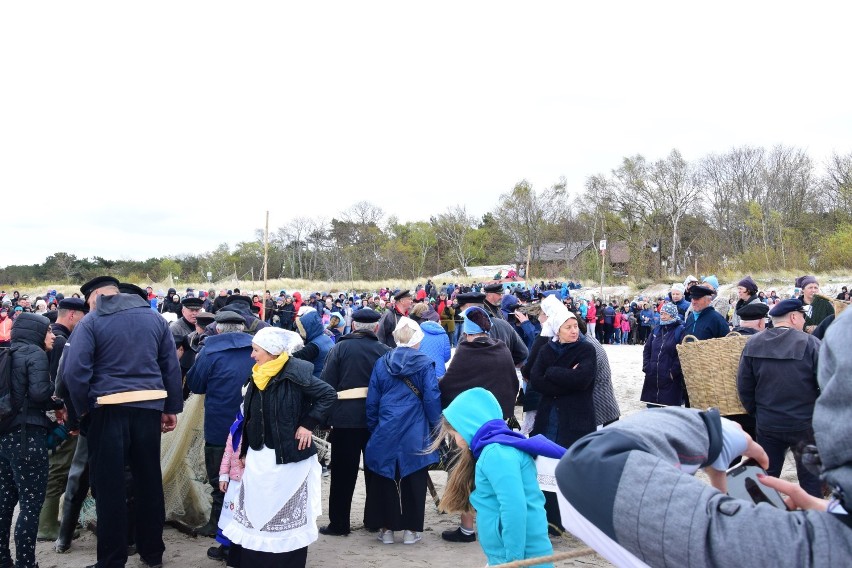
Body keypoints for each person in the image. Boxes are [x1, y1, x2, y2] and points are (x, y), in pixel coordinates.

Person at [554, 308, 852, 567]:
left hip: (768, 423)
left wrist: (710, 430)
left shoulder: (799, 550)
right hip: (799, 425)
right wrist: (835, 511)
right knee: (776, 480)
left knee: (764, 479)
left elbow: (589, 464)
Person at [63, 276, 184, 568]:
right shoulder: (155, 319)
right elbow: (170, 365)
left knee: (110, 488)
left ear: (99, 297)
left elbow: (74, 373)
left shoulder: (91, 323)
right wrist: (170, 408)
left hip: (107, 410)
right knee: (148, 481)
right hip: (148, 409)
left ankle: (112, 560)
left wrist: (82, 411)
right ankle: (152, 553)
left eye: (91, 302)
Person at [222, 327, 336, 568]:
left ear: (272, 352)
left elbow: (328, 394)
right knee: (255, 509)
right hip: (258, 456)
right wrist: (243, 452)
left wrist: (307, 424)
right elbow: (250, 416)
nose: (252, 355)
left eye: (256, 350)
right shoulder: (257, 374)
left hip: (288, 458)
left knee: (281, 510)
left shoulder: (296, 372)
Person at [436, 388, 565, 567]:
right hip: (511, 555)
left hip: (520, 558)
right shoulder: (497, 447)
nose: (457, 441)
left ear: (468, 424)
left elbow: (514, 507)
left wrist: (513, 558)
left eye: (455, 434)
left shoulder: (496, 453)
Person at [438, 306, 519, 543]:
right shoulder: (502, 349)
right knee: (496, 475)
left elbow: (449, 385)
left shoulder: (465, 351)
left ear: (467, 330)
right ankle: (498, 526)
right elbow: (512, 384)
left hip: (468, 428)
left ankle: (466, 529)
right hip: (496, 424)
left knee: (465, 475)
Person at [363, 317, 441, 545]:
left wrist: (374, 427)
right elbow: (432, 398)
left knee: (385, 476)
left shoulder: (382, 362)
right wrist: (436, 427)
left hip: (386, 424)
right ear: (417, 339)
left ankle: (387, 529)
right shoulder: (425, 363)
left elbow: (372, 401)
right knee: (413, 476)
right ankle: (411, 530)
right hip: (415, 426)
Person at [737, 299, 822, 497]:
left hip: (768, 422)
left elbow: (744, 386)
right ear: (793, 317)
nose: (803, 321)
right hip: (804, 424)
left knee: (765, 478)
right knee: (811, 480)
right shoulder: (810, 343)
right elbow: (825, 383)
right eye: (802, 316)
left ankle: (763, 522)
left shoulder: (753, 343)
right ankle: (814, 524)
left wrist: (757, 413)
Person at [185, 310, 254, 554]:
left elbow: (195, 384)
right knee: (248, 478)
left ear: (217, 329)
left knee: (220, 478)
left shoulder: (210, 351)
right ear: (243, 328)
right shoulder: (257, 349)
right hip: (253, 425)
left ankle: (218, 524)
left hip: (219, 424)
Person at [318, 308, 390, 537]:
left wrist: (326, 419)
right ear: (376, 328)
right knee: (375, 471)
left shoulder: (340, 348)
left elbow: (327, 386)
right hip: (376, 420)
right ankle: (374, 520)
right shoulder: (385, 351)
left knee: (342, 474)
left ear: (354, 325)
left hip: (345, 420)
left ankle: (339, 524)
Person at [0, 313, 58, 568]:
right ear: (36, 333)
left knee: (4, 503)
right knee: (31, 505)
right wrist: (57, 396)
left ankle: (3, 559)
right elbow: (38, 393)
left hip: (4, 438)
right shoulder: (35, 354)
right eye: (48, 331)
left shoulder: (6, 353)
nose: (53, 335)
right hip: (27, 438)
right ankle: (27, 563)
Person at [37, 297, 87, 543]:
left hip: (48, 415)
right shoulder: (61, 342)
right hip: (60, 416)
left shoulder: (48, 338)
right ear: (72, 316)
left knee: (57, 469)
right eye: (82, 316)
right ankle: (46, 525)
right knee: (58, 470)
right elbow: (62, 385)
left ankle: (49, 521)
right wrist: (70, 419)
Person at [640, 302, 686, 407]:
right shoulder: (656, 329)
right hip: (652, 377)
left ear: (673, 314)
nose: (663, 317)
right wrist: (647, 366)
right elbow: (647, 349)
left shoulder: (680, 330)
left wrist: (673, 372)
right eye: (661, 314)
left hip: (670, 380)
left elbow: (682, 354)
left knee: (669, 416)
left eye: (666, 314)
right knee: (652, 414)